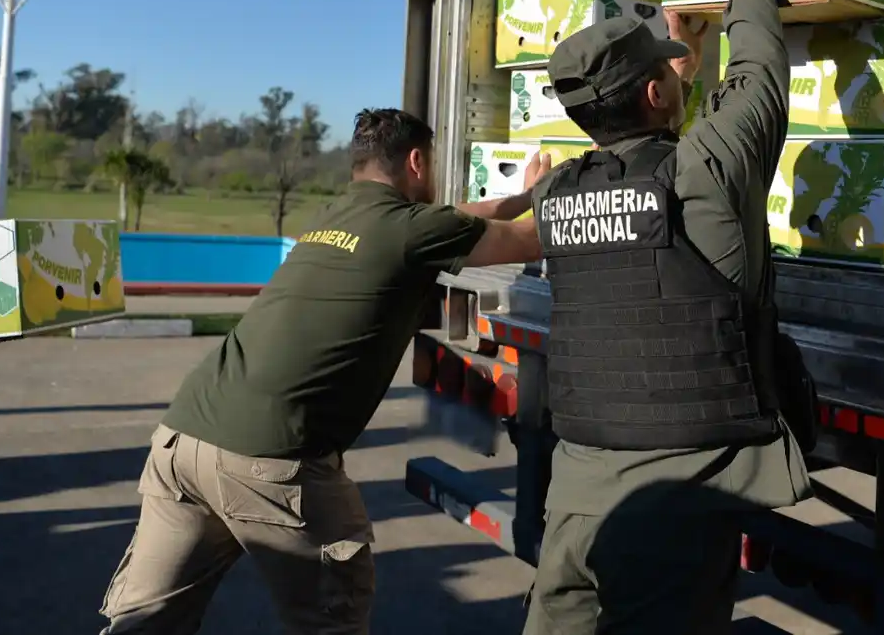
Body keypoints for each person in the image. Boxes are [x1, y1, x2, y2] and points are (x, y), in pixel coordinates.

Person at [97, 107, 549, 634]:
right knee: (333, 616)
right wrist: (563, 189)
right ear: (417, 161)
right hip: (273, 460)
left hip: (183, 440)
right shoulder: (414, 232)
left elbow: (464, 216)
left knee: (144, 623)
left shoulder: (335, 217)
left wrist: (518, 197)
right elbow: (530, 240)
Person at [521, 0, 816, 635]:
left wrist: (674, 60)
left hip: (578, 498)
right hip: (672, 507)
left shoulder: (558, 190)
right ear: (657, 90)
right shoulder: (707, 172)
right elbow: (758, 79)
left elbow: (641, 155)